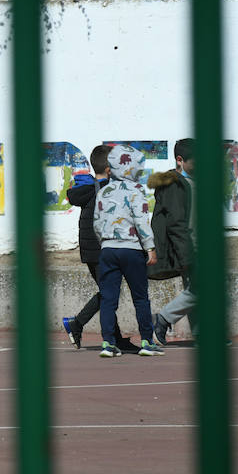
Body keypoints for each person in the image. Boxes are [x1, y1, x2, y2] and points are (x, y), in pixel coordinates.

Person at [60, 144, 137, 352]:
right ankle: (79, 324)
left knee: (108, 292)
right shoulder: (106, 190)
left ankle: (115, 338)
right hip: (102, 250)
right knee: (108, 293)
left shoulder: (89, 189)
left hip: (92, 250)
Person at [93, 144, 158, 358]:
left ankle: (108, 343)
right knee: (140, 297)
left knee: (108, 298)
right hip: (131, 250)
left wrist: (104, 242)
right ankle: (147, 341)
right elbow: (141, 221)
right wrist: (150, 247)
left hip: (108, 250)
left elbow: (97, 222)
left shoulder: (103, 191)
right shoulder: (137, 190)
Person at [148, 137, 196, 348]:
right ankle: (163, 318)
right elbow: (175, 222)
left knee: (194, 288)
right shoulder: (174, 185)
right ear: (180, 160)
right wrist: (184, 254)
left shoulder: (195, 181)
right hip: (189, 245)